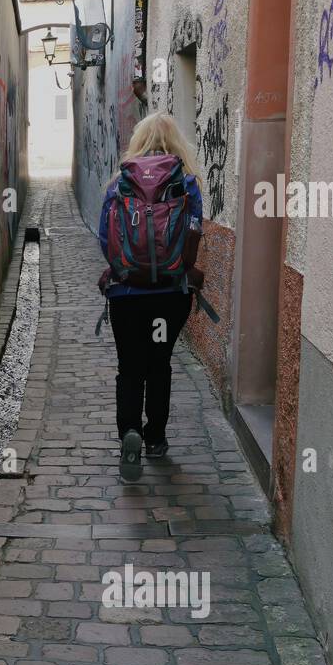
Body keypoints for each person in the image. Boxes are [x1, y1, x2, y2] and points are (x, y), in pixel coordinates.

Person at [96, 112, 205, 482]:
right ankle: (155, 437)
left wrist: (123, 268)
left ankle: (130, 431)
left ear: (139, 141)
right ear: (177, 142)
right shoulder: (186, 184)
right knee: (159, 363)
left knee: (130, 366)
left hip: (127, 295)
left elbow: (104, 238)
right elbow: (194, 235)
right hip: (170, 298)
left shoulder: (120, 183)